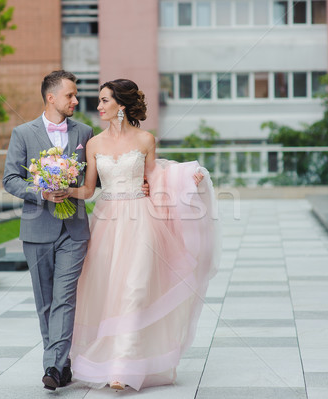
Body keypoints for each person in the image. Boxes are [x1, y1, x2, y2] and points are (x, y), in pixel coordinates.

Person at [66, 79, 220, 391]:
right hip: (107, 221)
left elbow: (157, 179)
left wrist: (189, 179)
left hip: (141, 220)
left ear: (120, 105)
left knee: (135, 290)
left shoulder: (146, 139)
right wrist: (63, 188)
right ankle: (107, 360)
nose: (98, 107)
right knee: (108, 291)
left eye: (104, 101)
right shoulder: (94, 144)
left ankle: (123, 368)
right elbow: (87, 189)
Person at [2, 70, 93, 391]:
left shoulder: (85, 132)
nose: (76, 100)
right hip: (37, 229)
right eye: (70, 95)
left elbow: (94, 178)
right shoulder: (22, 133)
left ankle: (52, 366)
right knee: (45, 302)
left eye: (76, 95)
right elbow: (10, 179)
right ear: (51, 97)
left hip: (74, 230)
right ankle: (61, 362)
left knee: (64, 298)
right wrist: (40, 191)